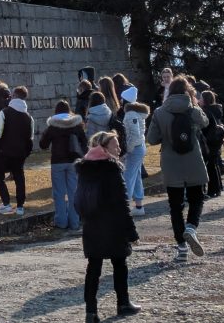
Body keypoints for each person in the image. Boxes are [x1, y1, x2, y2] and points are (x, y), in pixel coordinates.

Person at [75, 131, 141, 322]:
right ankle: (123, 303)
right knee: (120, 264)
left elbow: (79, 198)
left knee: (93, 268)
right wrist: (132, 232)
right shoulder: (112, 169)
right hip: (113, 225)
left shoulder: (84, 169)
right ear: (104, 148)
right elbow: (122, 203)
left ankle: (91, 312)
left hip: (92, 225)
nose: (119, 148)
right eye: (115, 145)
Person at [146, 76, 209, 262]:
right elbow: (205, 123)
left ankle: (181, 247)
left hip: (171, 162)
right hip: (193, 160)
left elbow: (152, 139)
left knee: (175, 206)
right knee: (197, 198)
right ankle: (191, 228)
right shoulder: (192, 108)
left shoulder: (159, 112)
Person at [40, 100, 87, 230]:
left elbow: (43, 145)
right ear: (68, 110)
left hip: (57, 162)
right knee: (73, 192)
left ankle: (61, 222)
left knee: (59, 193)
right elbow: (85, 142)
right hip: (74, 162)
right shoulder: (76, 125)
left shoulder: (53, 126)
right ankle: (74, 222)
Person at [0, 86, 34, 215]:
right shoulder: (28, 117)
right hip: (20, 153)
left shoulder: (5, 112)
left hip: (4, 152)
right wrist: (26, 153)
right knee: (19, 178)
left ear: (14, 96)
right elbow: (30, 139)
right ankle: (20, 206)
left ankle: (6, 203)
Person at [120, 94, 150, 215]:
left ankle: (124, 207)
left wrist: (127, 150)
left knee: (128, 176)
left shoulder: (130, 114)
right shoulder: (135, 113)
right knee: (136, 176)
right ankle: (138, 206)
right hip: (139, 147)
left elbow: (134, 135)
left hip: (135, 149)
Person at [201, 90, 224, 198]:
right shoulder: (217, 109)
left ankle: (212, 189)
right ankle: (218, 188)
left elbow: (204, 127)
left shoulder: (206, 111)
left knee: (210, 166)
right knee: (214, 165)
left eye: (201, 98)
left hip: (209, 141)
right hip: (216, 140)